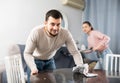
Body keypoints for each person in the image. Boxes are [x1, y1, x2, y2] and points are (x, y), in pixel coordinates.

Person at [24, 9, 87, 83]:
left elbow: (75, 52)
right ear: (45, 23)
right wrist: (33, 67)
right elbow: (27, 53)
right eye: (52, 24)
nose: (56, 28)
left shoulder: (65, 34)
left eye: (58, 24)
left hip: (50, 60)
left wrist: (80, 66)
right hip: (35, 60)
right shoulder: (36, 32)